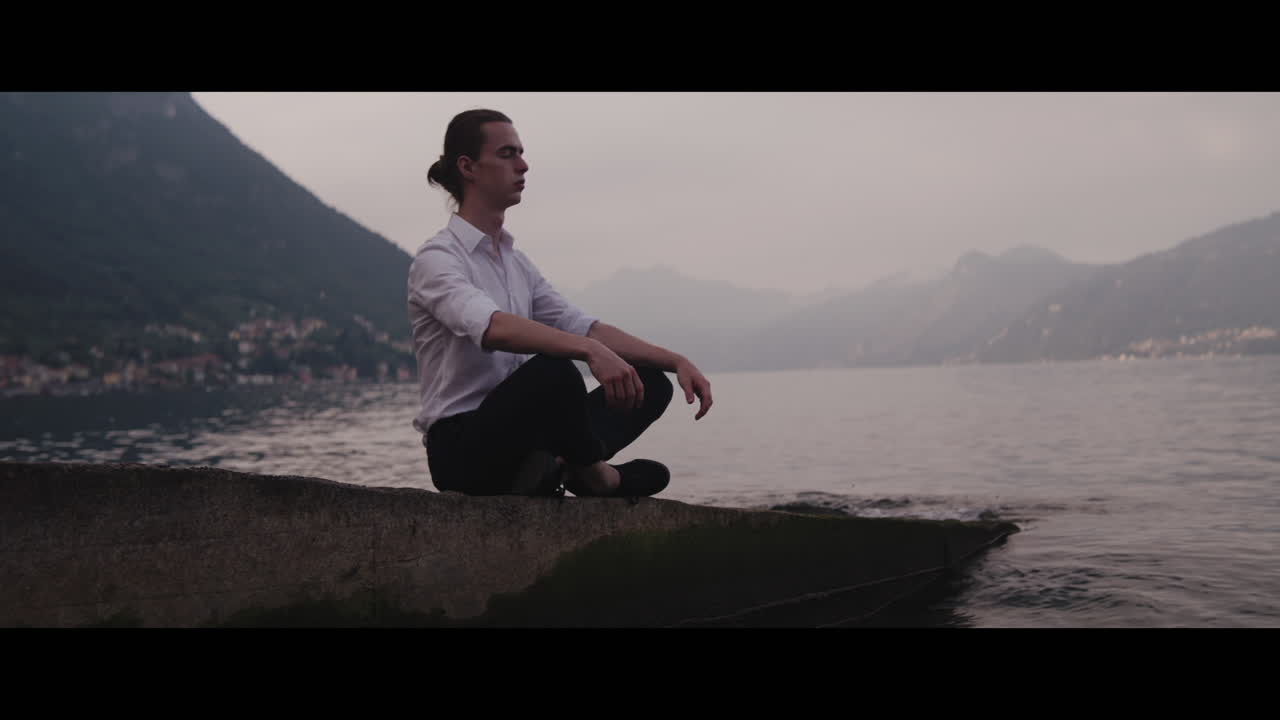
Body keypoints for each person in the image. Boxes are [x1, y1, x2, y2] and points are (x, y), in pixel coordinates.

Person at [408, 109, 713, 499]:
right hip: (463, 448)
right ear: (468, 167)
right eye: (507, 154)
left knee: (649, 382)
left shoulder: (516, 264)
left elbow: (581, 325)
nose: (523, 164)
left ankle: (562, 466)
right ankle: (599, 477)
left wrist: (674, 360)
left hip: (525, 438)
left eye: (521, 152)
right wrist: (589, 351)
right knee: (555, 372)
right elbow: (492, 327)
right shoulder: (438, 259)